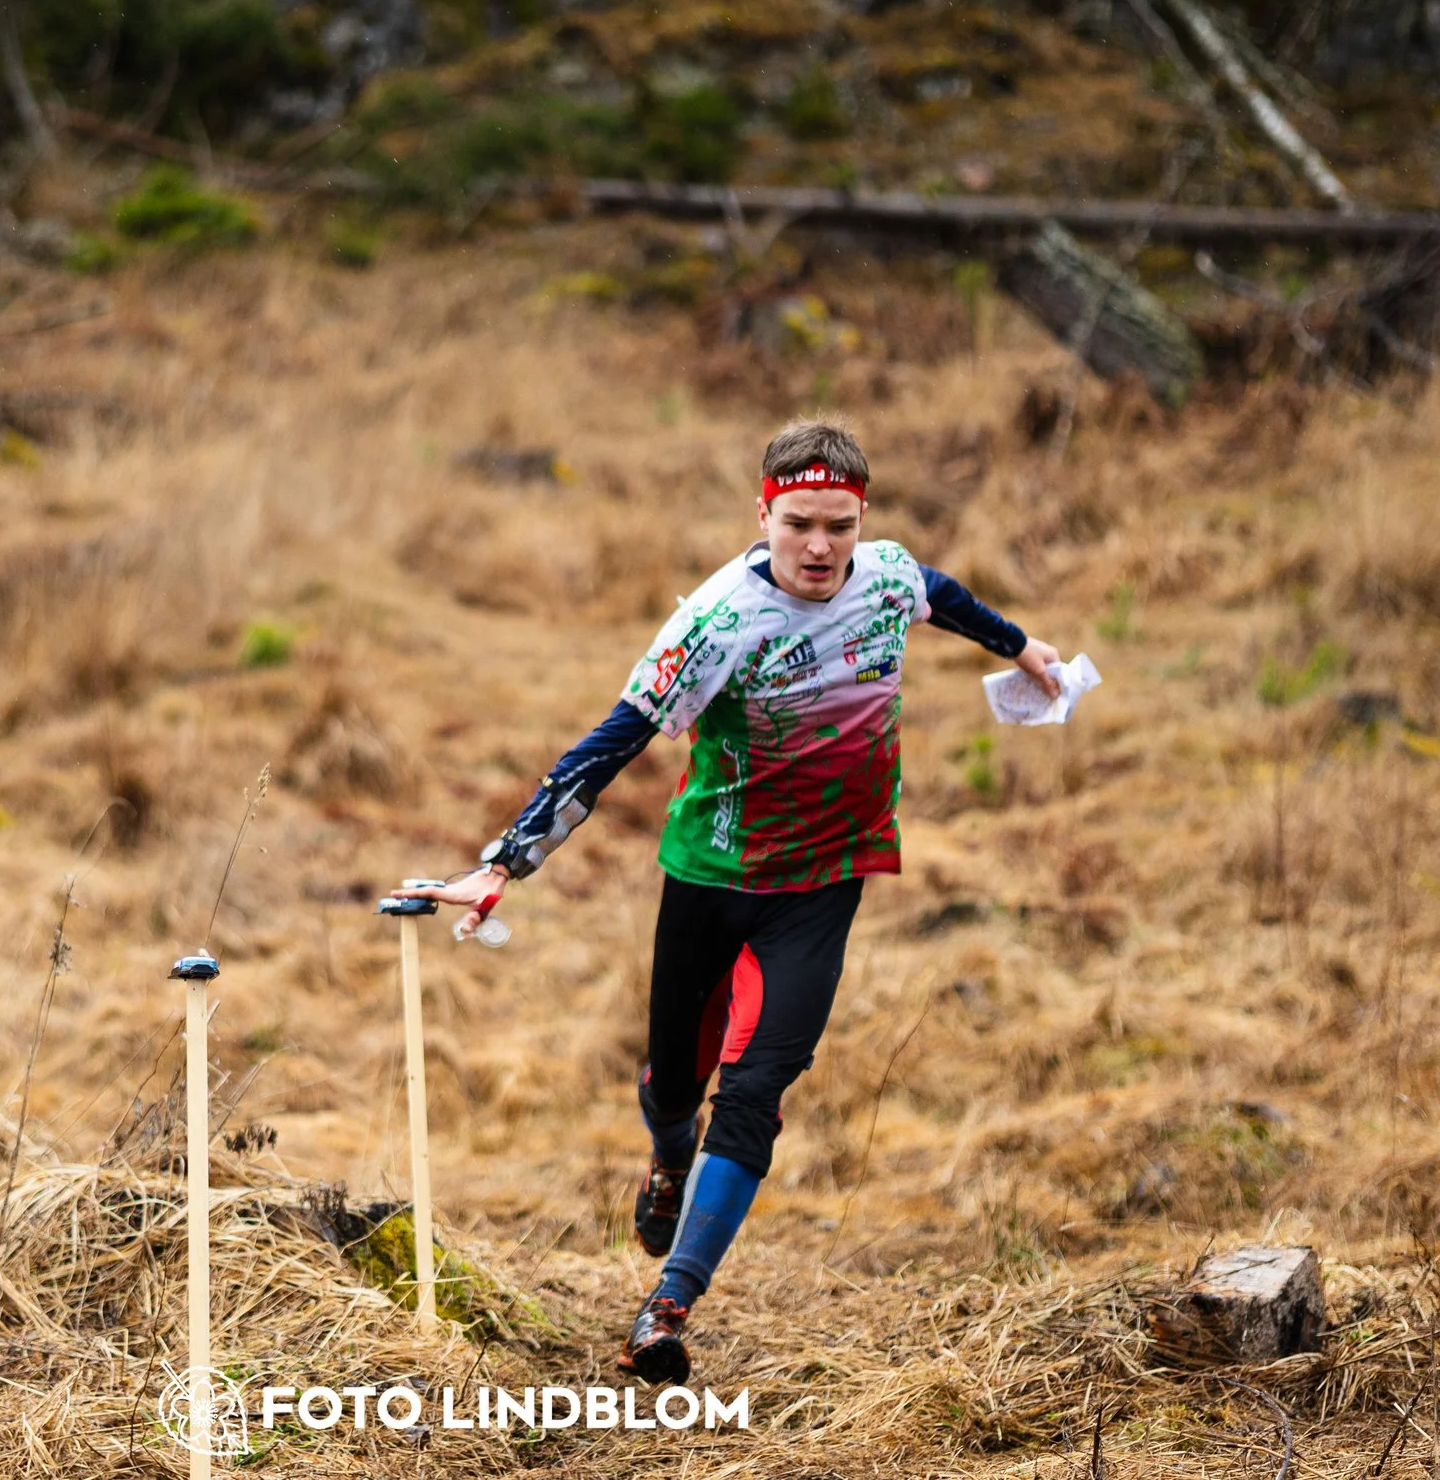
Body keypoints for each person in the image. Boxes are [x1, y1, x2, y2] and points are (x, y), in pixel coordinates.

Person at [391, 417, 1061, 1385]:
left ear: (861, 518)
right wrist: (504, 861)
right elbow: (611, 742)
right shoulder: (715, 622)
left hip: (822, 882)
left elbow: (941, 596)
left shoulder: (885, 575)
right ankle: (668, 1150)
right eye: (799, 525)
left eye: (838, 524)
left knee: (753, 1093)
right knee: (676, 1084)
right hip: (709, 878)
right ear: (764, 514)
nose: (821, 547)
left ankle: (667, 1306)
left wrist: (1023, 644)